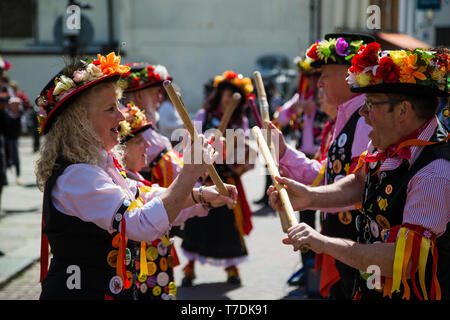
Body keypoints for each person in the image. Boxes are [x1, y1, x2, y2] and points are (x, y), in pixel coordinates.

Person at [35, 52, 237, 300]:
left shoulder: (98, 165)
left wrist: (201, 195)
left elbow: (144, 195)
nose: (121, 117)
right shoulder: (77, 176)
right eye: (111, 109)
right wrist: (189, 173)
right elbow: (140, 224)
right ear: (80, 123)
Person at [267, 47, 450, 300]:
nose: (363, 114)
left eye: (371, 105)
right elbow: (360, 180)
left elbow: (404, 261)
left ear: (403, 111)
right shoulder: (385, 142)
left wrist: (322, 243)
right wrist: (310, 197)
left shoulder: (435, 173)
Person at [267, 33, 374, 299]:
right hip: (344, 244)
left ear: (351, 73)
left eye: (325, 73)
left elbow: (362, 189)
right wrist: (283, 153)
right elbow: (329, 174)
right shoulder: (348, 115)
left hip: (359, 245)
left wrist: (309, 199)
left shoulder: (364, 119)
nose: (320, 82)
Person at [112, 103, 229, 299]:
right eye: (140, 140)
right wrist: (198, 191)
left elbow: (169, 209)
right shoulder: (120, 185)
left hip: (156, 274)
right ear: (120, 149)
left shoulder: (137, 181)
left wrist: (204, 198)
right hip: (138, 280)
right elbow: (159, 210)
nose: (148, 146)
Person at [181, 70, 255, 286]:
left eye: (233, 94)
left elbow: (244, 148)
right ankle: (190, 267)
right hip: (203, 176)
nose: (227, 97)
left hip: (225, 178)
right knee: (196, 222)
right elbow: (189, 139)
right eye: (225, 92)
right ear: (219, 93)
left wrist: (237, 146)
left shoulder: (239, 120)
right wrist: (204, 144)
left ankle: (232, 267)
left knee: (228, 225)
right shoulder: (204, 115)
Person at [119, 63, 183, 188]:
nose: (160, 98)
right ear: (139, 96)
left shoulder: (143, 130)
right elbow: (177, 174)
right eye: (156, 93)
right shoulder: (142, 133)